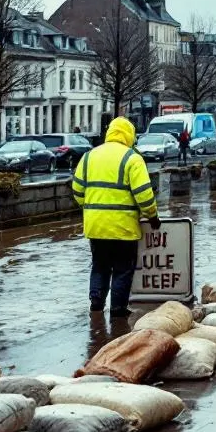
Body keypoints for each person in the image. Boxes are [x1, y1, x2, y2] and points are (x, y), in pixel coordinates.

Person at [73, 117, 160, 318]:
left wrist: (92, 208)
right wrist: (152, 216)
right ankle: (117, 311)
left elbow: (77, 190)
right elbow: (144, 195)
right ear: (130, 135)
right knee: (123, 269)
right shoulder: (132, 158)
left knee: (99, 266)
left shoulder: (89, 156)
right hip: (123, 228)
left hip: (96, 226)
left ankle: (96, 305)